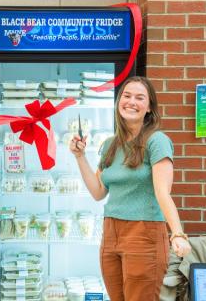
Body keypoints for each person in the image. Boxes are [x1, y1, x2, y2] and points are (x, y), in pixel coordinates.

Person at [69, 76, 191, 301]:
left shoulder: (157, 141)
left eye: (139, 97)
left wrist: (178, 233)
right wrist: (80, 157)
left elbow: (162, 192)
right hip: (111, 232)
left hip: (144, 233)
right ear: (118, 102)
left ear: (149, 108)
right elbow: (98, 192)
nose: (131, 101)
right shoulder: (110, 145)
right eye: (126, 96)